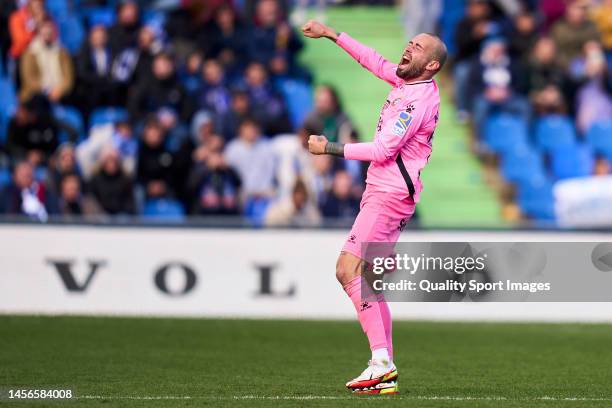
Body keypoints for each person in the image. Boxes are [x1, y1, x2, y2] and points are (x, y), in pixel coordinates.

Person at [302, 19, 446, 394]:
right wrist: (333, 34)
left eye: (418, 47)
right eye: (410, 43)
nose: (409, 48)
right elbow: (373, 60)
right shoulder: (407, 81)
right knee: (368, 280)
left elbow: (384, 150)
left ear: (431, 65)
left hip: (390, 194)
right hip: (386, 191)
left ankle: (381, 362)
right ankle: (383, 366)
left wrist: (329, 148)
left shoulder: (417, 99)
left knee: (347, 269)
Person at [19, 17, 74, 103]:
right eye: (44, 28)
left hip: (59, 93)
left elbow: (68, 78)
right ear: (39, 31)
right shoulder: (30, 53)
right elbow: (29, 79)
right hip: (37, 94)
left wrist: (59, 90)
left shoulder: (62, 52)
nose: (47, 32)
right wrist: (47, 91)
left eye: (50, 28)